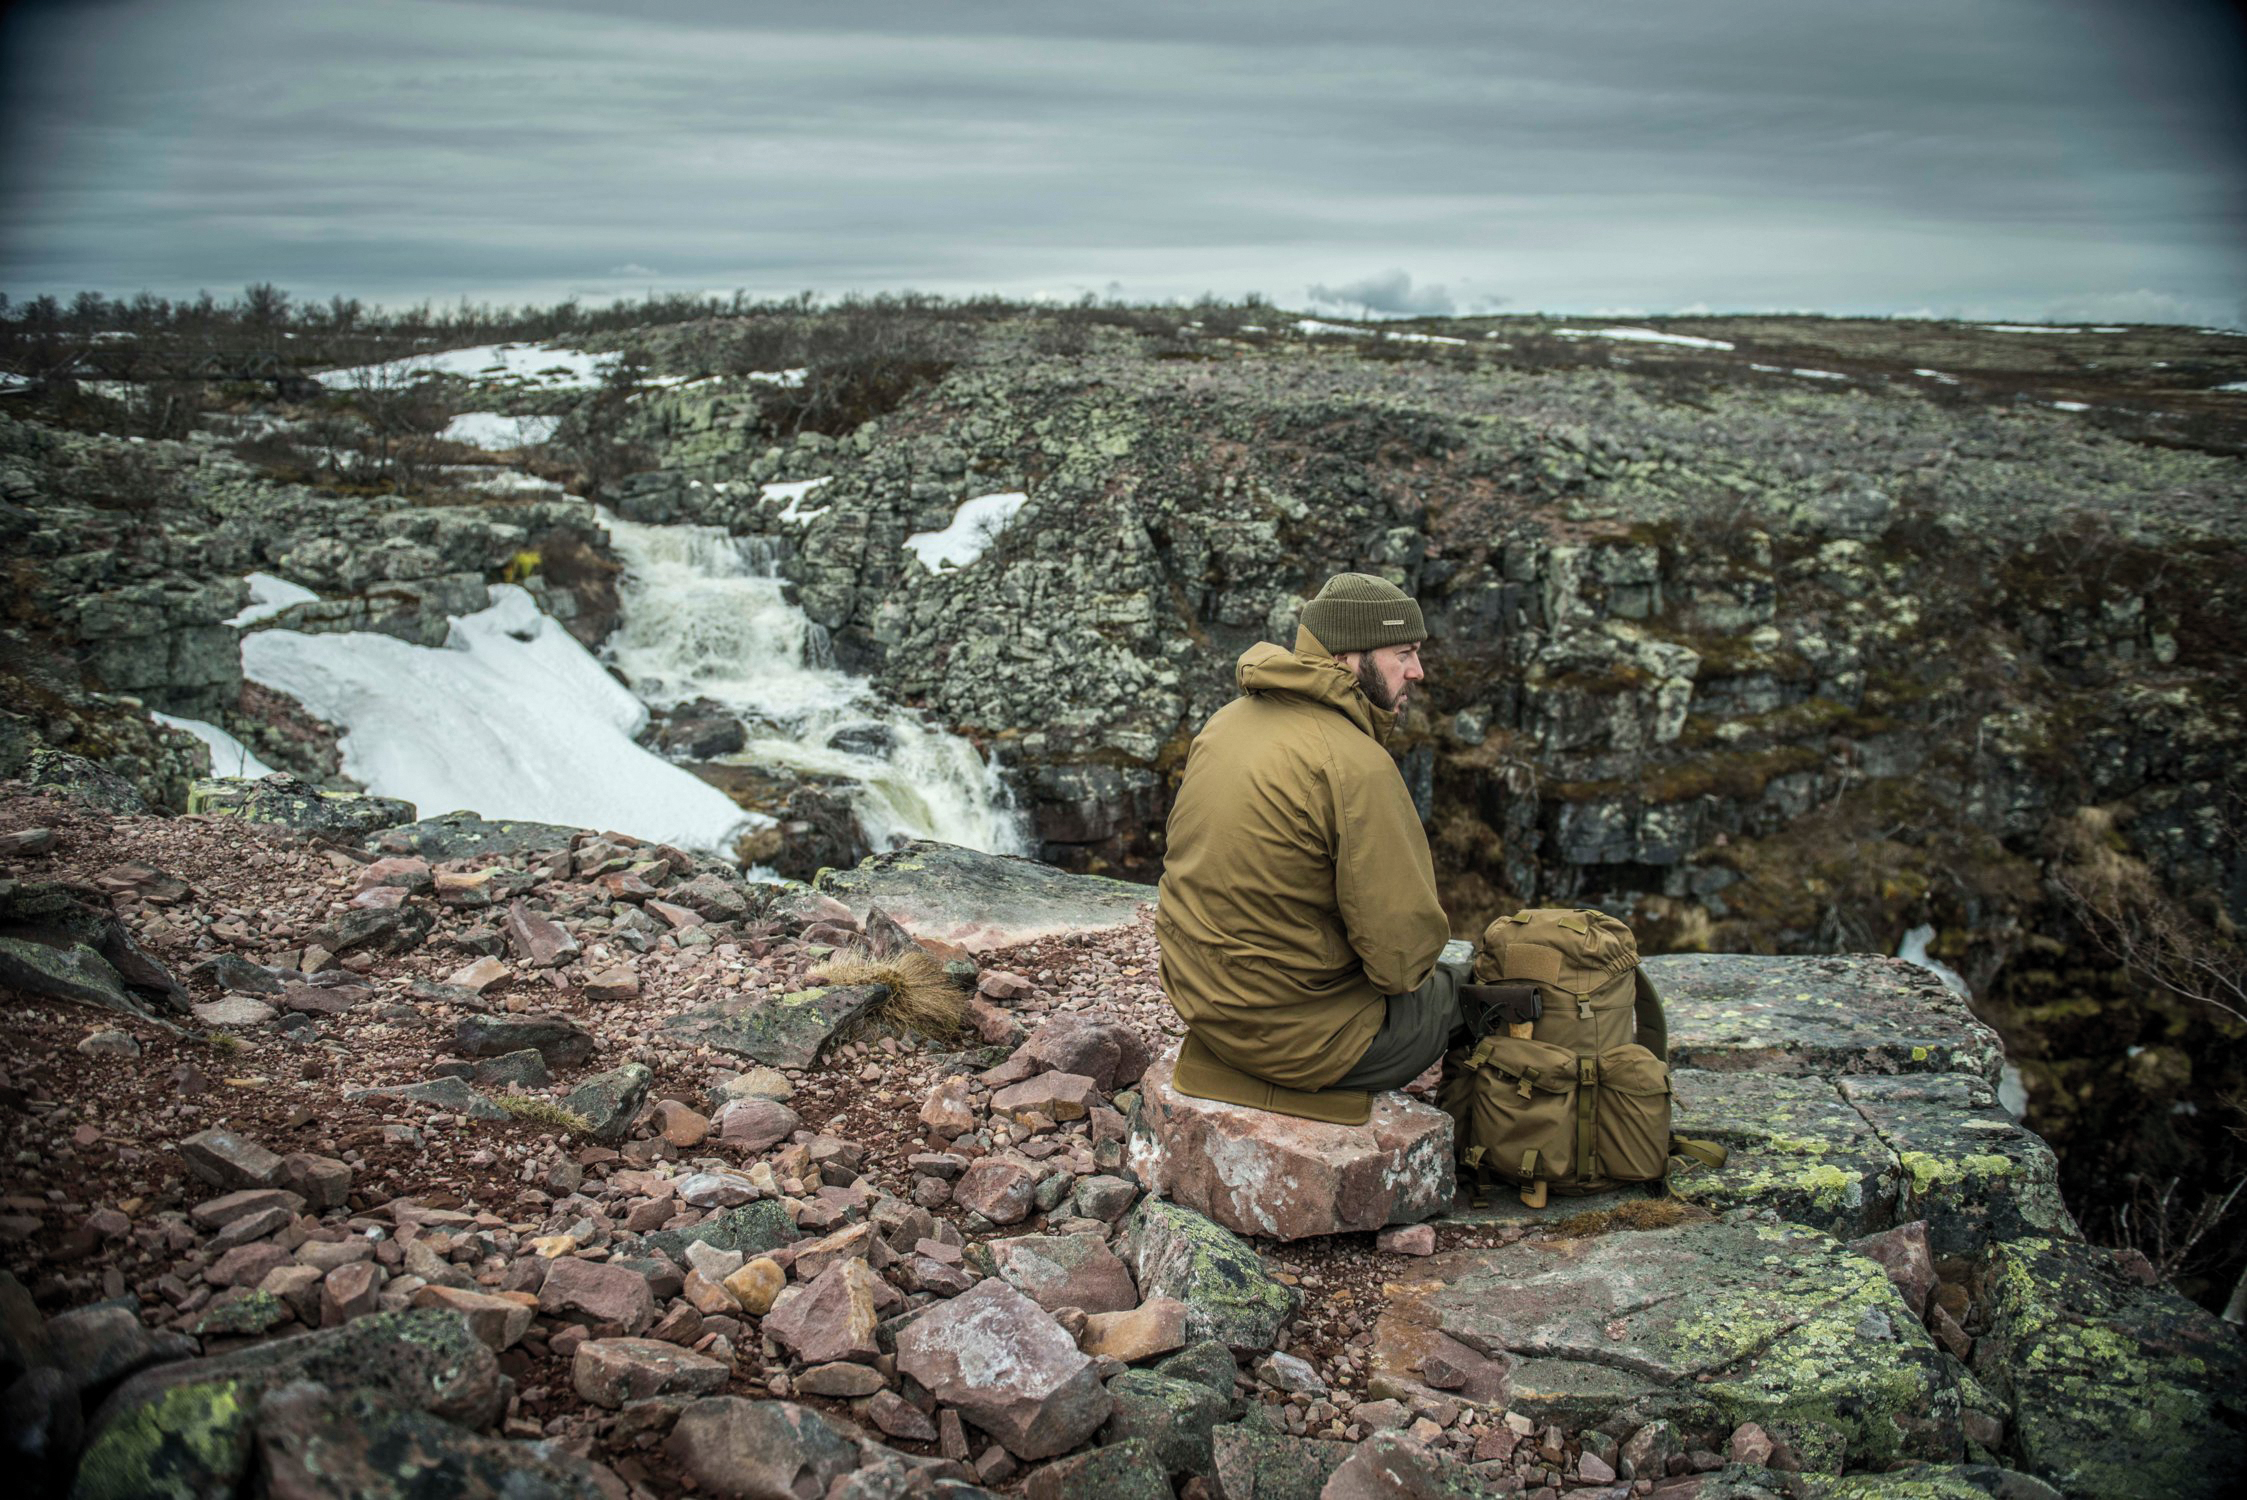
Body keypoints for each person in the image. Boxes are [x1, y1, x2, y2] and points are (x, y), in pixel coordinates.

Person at [1155, 572, 1472, 1118]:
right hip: (1306, 1047)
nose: (1418, 671)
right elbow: (1401, 964)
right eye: (1405, 653)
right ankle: (1480, 1152)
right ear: (1352, 656)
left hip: (1203, 1006)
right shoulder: (1354, 764)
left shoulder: (1225, 723)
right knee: (1474, 988)